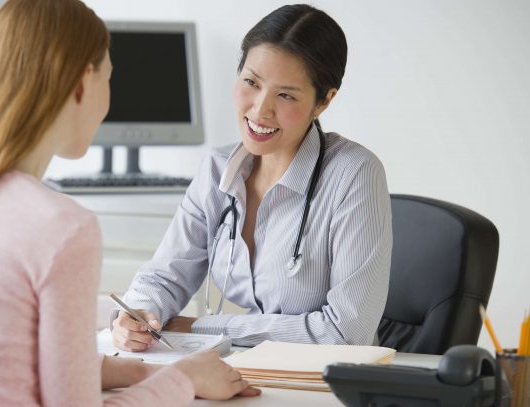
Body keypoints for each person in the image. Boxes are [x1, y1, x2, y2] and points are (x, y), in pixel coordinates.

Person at [0, 0, 259, 405]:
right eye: (110, 77)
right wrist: (184, 379)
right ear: (83, 82)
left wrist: (134, 373)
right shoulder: (59, 227)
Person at [112, 4, 393, 351]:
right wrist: (140, 312)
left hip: (325, 376)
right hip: (242, 365)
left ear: (323, 101)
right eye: (251, 82)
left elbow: (346, 333)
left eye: (286, 95)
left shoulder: (354, 175)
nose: (260, 110)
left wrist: (203, 327)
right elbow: (165, 275)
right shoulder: (217, 170)